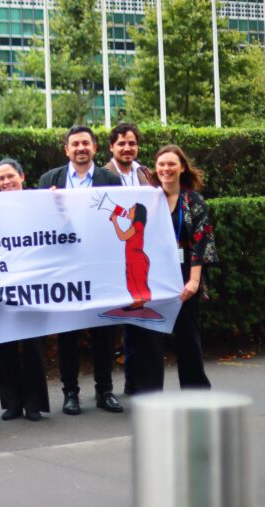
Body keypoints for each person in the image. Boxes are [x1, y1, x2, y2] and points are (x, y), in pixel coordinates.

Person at [38, 126, 124, 416]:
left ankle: (105, 390)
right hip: (66, 267)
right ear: (67, 150)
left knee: (104, 331)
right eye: (75, 144)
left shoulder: (111, 180)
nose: (80, 148)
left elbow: (120, 218)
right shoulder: (50, 180)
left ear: (95, 148)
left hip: (100, 265)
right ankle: (70, 393)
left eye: (85, 143)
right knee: (68, 334)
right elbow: (39, 225)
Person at [139, 144, 217, 391]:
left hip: (185, 275)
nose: (166, 169)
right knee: (150, 336)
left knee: (187, 337)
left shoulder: (192, 200)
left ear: (182, 167)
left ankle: (195, 392)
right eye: (161, 164)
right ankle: (150, 394)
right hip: (154, 275)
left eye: (171, 164)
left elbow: (202, 242)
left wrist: (193, 282)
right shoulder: (149, 199)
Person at [0, 159, 51, 421]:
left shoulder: (37, 204)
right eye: (1, 179)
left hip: (32, 283)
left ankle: (35, 403)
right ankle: (12, 403)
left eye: (10, 177)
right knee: (5, 345)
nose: (6, 182)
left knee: (32, 346)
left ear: (22, 177)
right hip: (2, 283)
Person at [103, 122, 152, 395]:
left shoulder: (145, 174)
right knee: (110, 325)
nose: (127, 148)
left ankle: (136, 382)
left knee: (139, 320)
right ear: (111, 147)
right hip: (111, 257)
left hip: (137, 252)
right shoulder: (103, 174)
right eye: (121, 143)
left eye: (132, 143)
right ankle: (107, 388)